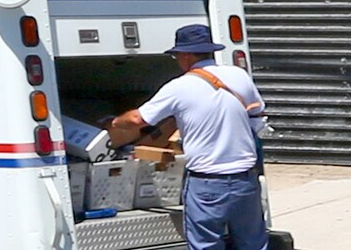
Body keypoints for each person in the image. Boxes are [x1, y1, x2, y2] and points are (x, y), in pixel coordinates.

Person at [109, 24, 270, 250]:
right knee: (253, 244)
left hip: (207, 183)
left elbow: (137, 120)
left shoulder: (180, 86)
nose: (177, 61)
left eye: (176, 56)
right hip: (245, 181)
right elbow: (257, 113)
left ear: (186, 55)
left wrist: (113, 123)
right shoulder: (239, 76)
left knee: (205, 245)